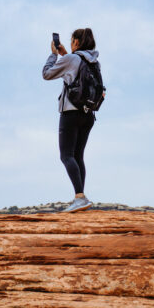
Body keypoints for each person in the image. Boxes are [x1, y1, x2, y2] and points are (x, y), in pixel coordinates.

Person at [42, 28, 100, 213]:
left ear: (76, 42)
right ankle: (80, 198)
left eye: (72, 40)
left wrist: (53, 55)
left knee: (66, 156)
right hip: (88, 114)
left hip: (70, 113)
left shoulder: (71, 59)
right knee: (78, 156)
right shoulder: (94, 61)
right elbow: (76, 70)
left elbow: (47, 74)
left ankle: (80, 198)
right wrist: (65, 54)